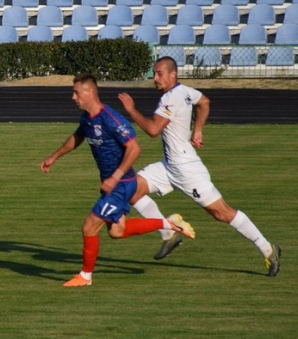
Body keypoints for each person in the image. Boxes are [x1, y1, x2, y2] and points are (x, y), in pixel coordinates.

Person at [117, 56, 281, 276]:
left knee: (221, 213)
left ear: (172, 74)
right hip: (169, 166)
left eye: (159, 73)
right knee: (130, 189)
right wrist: (198, 130)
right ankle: (169, 233)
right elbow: (204, 101)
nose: (154, 78)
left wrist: (132, 110)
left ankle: (268, 248)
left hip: (186, 169)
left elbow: (153, 130)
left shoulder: (171, 98)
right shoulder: (185, 90)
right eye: (154, 73)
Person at [40, 74, 195, 287]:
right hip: (116, 184)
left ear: (90, 92)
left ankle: (85, 276)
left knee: (89, 227)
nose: (72, 97)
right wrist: (53, 157)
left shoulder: (111, 119)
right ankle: (168, 223)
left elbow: (134, 148)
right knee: (116, 231)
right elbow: (77, 137)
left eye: (76, 92)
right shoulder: (87, 118)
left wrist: (114, 178)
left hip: (120, 184)